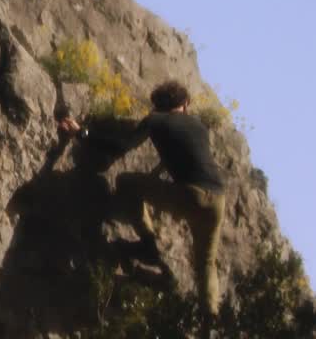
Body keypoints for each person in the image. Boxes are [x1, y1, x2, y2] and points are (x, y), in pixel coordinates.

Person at [57, 80, 226, 316]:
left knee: (126, 182)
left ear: (157, 105)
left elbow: (121, 147)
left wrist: (82, 133)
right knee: (207, 264)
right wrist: (155, 178)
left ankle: (148, 245)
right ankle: (212, 321)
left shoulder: (156, 120)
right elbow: (183, 156)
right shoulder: (199, 125)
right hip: (217, 199)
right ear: (185, 103)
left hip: (190, 195)